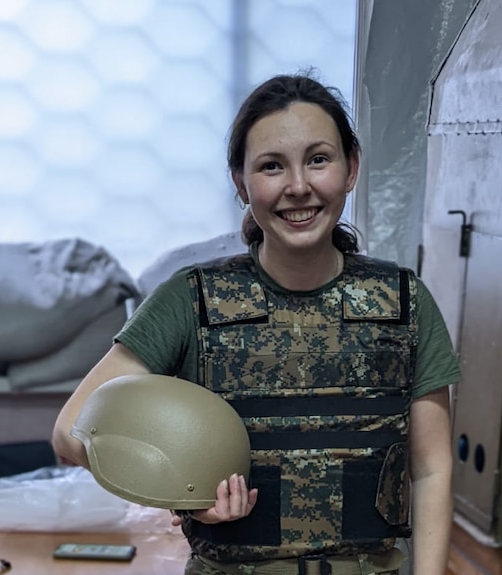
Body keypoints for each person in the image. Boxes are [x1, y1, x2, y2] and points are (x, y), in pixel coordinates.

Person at [53, 73, 461, 575]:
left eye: (318, 159)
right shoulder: (192, 300)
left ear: (351, 168)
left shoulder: (404, 302)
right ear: (241, 183)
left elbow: (432, 469)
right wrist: (182, 490)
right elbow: (71, 433)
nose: (298, 187)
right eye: (271, 166)